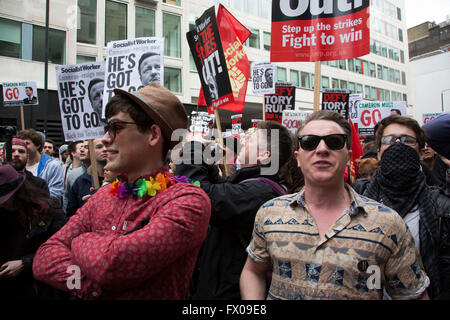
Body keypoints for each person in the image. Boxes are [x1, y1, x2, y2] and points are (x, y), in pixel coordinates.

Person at [32, 83, 211, 300]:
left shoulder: (187, 200)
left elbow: (113, 266)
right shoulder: (101, 196)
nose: (106, 139)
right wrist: (89, 285)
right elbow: (43, 259)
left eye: (116, 128)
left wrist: (80, 241)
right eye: (107, 129)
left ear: (153, 135)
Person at [240, 110, 431, 300]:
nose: (322, 148)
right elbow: (253, 271)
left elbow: (412, 294)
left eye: (334, 141)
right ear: (298, 158)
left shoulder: (388, 224)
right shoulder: (270, 213)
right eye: (309, 142)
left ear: (348, 157)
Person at [176, 120, 294, 300]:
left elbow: (200, 195)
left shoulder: (259, 194)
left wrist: (194, 147)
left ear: (264, 155)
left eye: (250, 139)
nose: (242, 141)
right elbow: (219, 188)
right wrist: (207, 159)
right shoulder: (250, 186)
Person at [359, 115, 450, 299]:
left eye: (408, 140)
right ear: (378, 151)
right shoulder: (358, 200)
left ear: (421, 152)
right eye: (389, 140)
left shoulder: (440, 207)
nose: (398, 145)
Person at [0, 164, 66, 299]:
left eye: (5, 199)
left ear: (18, 192)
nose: (3, 204)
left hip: (39, 286)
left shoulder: (48, 210)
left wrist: (25, 263)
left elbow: (61, 246)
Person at [16, 129, 64, 204]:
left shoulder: (52, 165)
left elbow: (55, 194)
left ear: (37, 145)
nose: (23, 146)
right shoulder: (16, 165)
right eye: (21, 144)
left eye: (27, 143)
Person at [66, 138, 107, 217]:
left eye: (107, 145)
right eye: (99, 147)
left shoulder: (122, 179)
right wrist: (86, 208)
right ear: (91, 152)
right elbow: (71, 214)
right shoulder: (81, 181)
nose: (105, 149)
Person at [62, 140, 88, 212]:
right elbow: (67, 195)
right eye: (81, 148)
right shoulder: (70, 171)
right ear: (73, 153)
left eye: (86, 147)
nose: (82, 150)